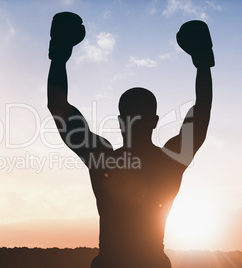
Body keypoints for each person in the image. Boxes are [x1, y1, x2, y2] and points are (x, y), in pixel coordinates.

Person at [47, 12, 214, 268]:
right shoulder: (170, 160)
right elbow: (201, 112)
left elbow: (57, 105)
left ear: (120, 120)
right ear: (155, 120)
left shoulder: (103, 158)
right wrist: (202, 63)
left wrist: (59, 55)